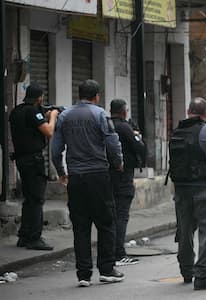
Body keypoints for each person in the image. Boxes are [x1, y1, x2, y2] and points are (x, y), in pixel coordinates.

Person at [52, 80, 125, 287]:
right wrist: (118, 162)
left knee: (81, 227)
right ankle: (107, 269)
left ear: (79, 94)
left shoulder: (65, 116)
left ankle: (83, 274)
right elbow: (112, 141)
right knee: (106, 222)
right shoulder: (100, 114)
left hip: (76, 178)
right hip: (98, 176)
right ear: (97, 96)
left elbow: (56, 150)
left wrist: (61, 172)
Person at [168, 97, 206, 290]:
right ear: (205, 114)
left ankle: (186, 270)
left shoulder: (177, 131)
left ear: (188, 112)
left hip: (181, 190)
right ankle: (202, 275)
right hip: (204, 189)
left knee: (185, 230)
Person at [9, 83, 59, 250]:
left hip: (22, 159)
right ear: (39, 98)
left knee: (29, 199)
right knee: (37, 199)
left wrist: (42, 114)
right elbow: (49, 132)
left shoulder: (17, 111)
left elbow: (28, 128)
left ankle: (24, 235)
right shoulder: (33, 111)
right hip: (33, 160)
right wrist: (52, 116)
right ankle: (34, 238)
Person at [109, 99, 145, 266]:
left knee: (112, 215)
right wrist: (137, 136)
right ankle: (119, 253)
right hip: (123, 176)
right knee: (122, 215)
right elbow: (139, 148)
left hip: (108, 176)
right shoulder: (124, 127)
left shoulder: (107, 124)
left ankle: (111, 252)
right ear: (124, 111)